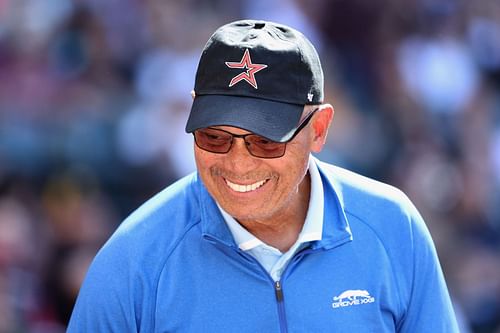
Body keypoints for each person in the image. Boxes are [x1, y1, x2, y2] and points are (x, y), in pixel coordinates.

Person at [67, 19, 459, 332]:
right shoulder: (133, 260)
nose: (238, 164)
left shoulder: (393, 227)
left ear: (318, 129)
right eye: (215, 137)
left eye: (266, 141)